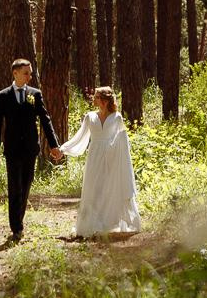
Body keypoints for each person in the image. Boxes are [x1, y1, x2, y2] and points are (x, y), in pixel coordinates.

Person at [0, 58, 63, 243]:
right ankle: (16, 228)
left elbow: (45, 120)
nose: (30, 76)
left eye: (30, 73)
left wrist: (54, 145)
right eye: (26, 73)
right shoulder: (3, 95)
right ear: (15, 73)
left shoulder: (35, 94)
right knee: (14, 188)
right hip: (12, 149)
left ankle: (18, 220)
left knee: (25, 186)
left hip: (30, 149)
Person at [57, 85, 143, 238]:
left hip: (111, 156)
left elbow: (122, 140)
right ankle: (92, 223)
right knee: (93, 188)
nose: (94, 99)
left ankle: (107, 222)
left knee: (108, 188)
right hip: (94, 156)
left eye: (97, 97)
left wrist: (115, 154)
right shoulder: (90, 117)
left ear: (104, 100)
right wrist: (63, 149)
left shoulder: (116, 117)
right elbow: (80, 137)